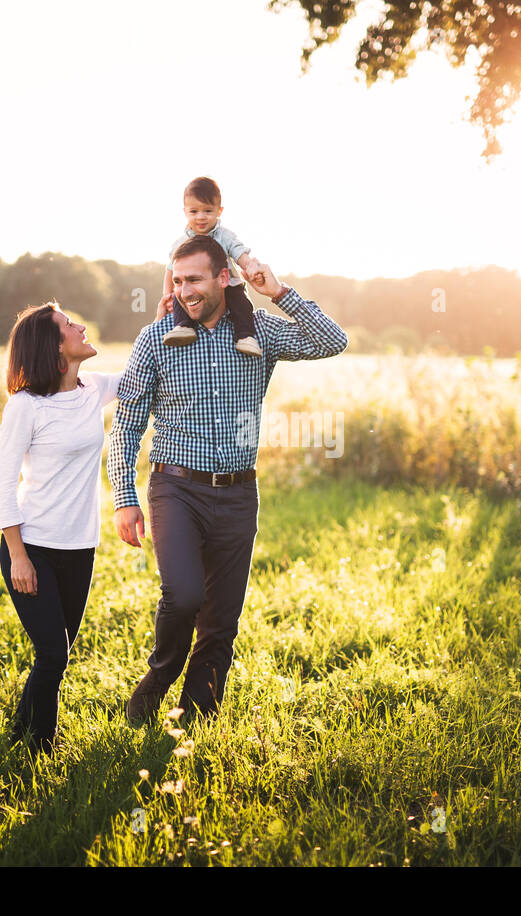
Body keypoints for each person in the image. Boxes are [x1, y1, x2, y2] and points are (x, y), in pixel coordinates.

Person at [109, 234, 348, 725]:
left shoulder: (257, 331)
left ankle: (197, 719)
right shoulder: (156, 338)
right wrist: (124, 497)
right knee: (184, 596)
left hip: (239, 493)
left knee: (221, 620)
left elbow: (332, 340)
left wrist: (278, 291)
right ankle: (159, 678)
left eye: (194, 279)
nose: (184, 291)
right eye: (177, 281)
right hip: (175, 487)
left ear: (224, 278)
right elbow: (128, 423)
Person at [0, 300, 122, 755]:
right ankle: (39, 751)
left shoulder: (94, 389)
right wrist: (20, 557)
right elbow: (3, 488)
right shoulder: (25, 407)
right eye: (70, 324)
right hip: (32, 546)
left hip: (80, 546)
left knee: (56, 655)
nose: (82, 326)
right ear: (54, 346)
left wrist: (170, 309)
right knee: (54, 654)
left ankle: (19, 734)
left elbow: (150, 371)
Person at [157, 176, 263, 356]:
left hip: (228, 284)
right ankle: (183, 327)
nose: (201, 217)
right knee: (180, 298)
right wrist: (168, 293)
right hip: (191, 289)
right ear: (185, 212)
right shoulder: (180, 243)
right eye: (194, 211)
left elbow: (239, 253)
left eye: (207, 210)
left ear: (219, 211)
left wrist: (251, 268)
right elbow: (171, 270)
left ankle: (245, 336)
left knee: (242, 304)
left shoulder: (225, 236)